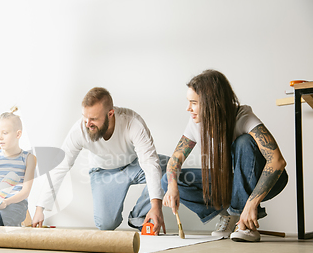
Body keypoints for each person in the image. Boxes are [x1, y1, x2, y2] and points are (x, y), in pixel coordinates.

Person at [162, 70, 288, 242]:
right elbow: (175, 160)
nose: (188, 108)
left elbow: (277, 161)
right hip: (229, 182)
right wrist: (172, 187)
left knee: (244, 142)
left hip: (267, 181)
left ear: (211, 103)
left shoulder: (242, 116)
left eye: (193, 103)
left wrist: (251, 204)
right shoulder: (196, 122)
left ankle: (245, 221)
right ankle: (230, 214)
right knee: (168, 180)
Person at [32, 87, 169, 233]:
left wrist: (156, 206)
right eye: (85, 117)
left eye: (94, 119)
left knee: (171, 167)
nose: (87, 124)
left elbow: (149, 163)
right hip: (104, 172)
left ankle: (139, 217)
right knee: (106, 225)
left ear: (110, 114)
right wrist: (40, 208)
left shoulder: (132, 123)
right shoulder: (80, 130)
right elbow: (60, 167)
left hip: (134, 166)